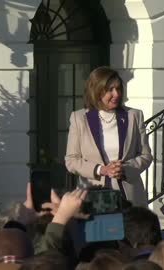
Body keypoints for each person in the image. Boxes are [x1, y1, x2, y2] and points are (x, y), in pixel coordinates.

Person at [65, 66, 152, 206]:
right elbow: (71, 160)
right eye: (110, 90)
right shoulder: (79, 118)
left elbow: (145, 155)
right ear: (96, 91)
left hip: (130, 199)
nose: (116, 94)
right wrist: (102, 170)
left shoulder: (134, 116)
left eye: (118, 89)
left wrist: (124, 169)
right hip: (91, 198)